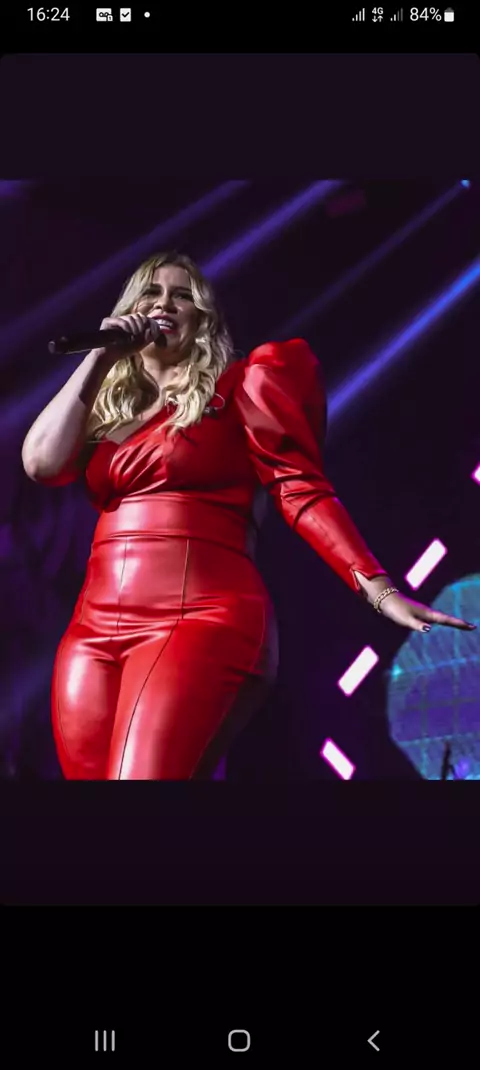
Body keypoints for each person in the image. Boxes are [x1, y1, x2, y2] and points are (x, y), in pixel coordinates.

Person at [21, 252, 476, 780]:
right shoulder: (108, 408)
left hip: (197, 617)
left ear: (204, 318)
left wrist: (380, 590)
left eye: (182, 295)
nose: (164, 304)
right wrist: (101, 356)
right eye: (151, 294)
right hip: (93, 629)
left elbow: (300, 489)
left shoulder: (240, 386)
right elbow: (41, 463)